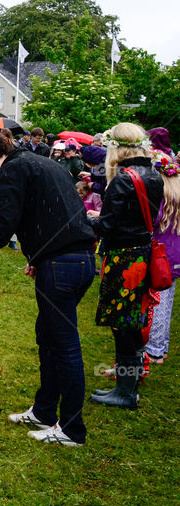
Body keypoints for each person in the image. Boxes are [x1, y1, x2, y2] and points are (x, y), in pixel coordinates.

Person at [0, 134, 96, 447]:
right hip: (79, 259)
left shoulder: (11, 171)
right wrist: (37, 256)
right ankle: (43, 410)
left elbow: (0, 228)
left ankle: (71, 428)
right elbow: (48, 213)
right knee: (49, 336)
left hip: (61, 265)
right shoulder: (44, 164)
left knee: (65, 346)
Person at [86, 123, 163, 409]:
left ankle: (126, 391)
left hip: (123, 258)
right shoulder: (153, 174)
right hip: (141, 253)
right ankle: (127, 384)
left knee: (123, 325)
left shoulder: (123, 178)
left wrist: (86, 218)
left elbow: (107, 226)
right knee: (132, 321)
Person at [147, 150, 180, 364]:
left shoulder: (163, 198)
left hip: (162, 255)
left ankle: (155, 349)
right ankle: (163, 346)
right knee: (167, 302)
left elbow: (154, 220)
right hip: (176, 254)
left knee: (157, 302)